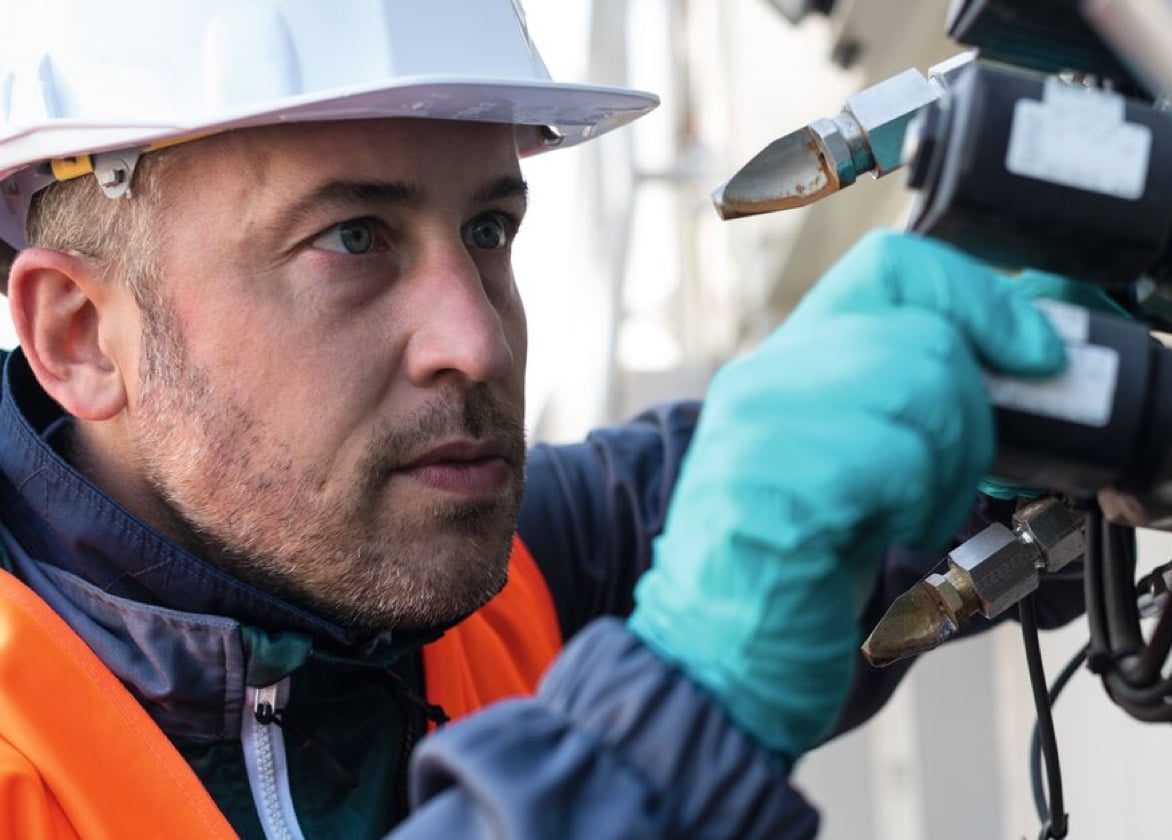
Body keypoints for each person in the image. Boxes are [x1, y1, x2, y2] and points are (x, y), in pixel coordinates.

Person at [0, 1, 1088, 838]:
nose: (473, 341)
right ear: (80, 335)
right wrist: (677, 724)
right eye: (352, 240)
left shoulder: (488, 567)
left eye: (486, 229)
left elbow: (795, 472)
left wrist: (1040, 365)